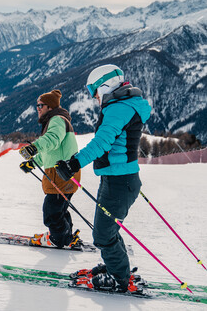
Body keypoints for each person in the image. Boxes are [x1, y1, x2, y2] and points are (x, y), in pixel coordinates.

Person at [55, 64, 151, 293]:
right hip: (117, 179)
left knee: (103, 233)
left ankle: (119, 278)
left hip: (120, 181)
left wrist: (74, 163)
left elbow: (102, 142)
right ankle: (116, 267)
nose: (94, 97)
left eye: (95, 91)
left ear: (105, 86)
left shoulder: (119, 109)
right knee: (107, 230)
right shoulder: (123, 106)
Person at [19, 89, 81, 249]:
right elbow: (50, 152)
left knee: (52, 213)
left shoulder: (57, 120)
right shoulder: (55, 120)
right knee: (59, 209)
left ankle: (57, 239)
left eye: (41, 105)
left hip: (61, 174)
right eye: (37, 105)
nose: (38, 108)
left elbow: (53, 139)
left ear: (51, 107)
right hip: (60, 174)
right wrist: (32, 163)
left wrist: (34, 147)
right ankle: (65, 237)